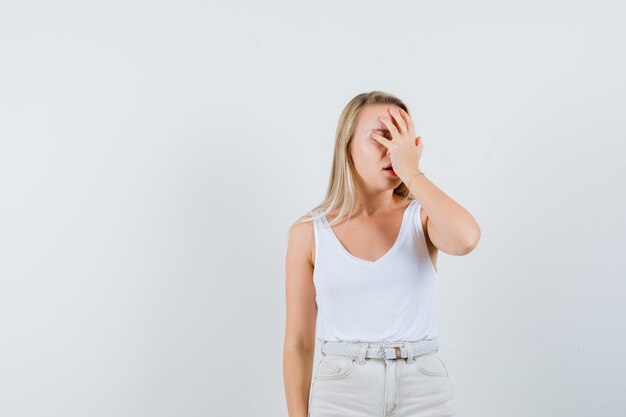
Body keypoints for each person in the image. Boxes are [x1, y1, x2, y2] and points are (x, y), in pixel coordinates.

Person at [283, 91, 481, 417]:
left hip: (423, 387)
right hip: (341, 391)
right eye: (380, 137)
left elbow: (467, 239)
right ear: (347, 148)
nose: (392, 150)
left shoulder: (423, 218)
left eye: (400, 138)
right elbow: (299, 344)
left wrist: (412, 173)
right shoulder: (308, 233)